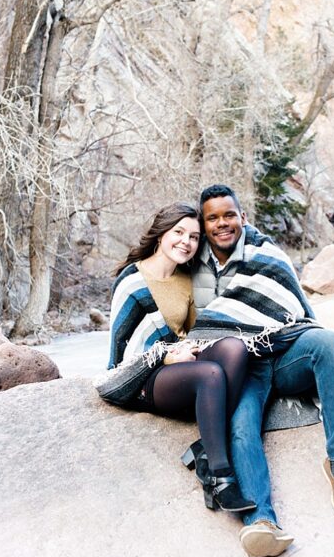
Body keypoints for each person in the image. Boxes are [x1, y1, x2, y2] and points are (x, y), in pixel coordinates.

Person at [188, 184, 334, 557]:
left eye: (229, 215)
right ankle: (262, 522)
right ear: (203, 224)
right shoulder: (192, 262)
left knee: (327, 342)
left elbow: (293, 308)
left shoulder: (265, 252)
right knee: (240, 425)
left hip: (286, 353)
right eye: (213, 218)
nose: (223, 223)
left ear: (243, 216)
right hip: (243, 368)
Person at [100, 202, 255, 513]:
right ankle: (220, 478)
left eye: (194, 237)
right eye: (179, 232)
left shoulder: (189, 278)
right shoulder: (131, 281)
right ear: (161, 234)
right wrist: (167, 357)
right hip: (146, 379)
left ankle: (204, 450)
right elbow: (125, 355)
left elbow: (201, 329)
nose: (186, 241)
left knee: (235, 348)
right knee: (210, 373)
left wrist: (243, 229)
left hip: (184, 366)